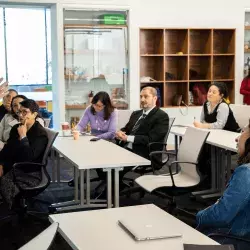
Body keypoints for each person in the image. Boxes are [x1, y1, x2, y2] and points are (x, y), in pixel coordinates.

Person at [196, 119, 250, 249]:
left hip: (232, 240)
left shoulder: (246, 172)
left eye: (243, 131)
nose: (237, 139)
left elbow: (221, 216)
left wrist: (200, 216)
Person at [0, 99, 48, 209]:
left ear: (34, 114)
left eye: (24, 112)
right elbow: (7, 149)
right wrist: (1, 163)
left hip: (28, 171)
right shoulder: (16, 128)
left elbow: (29, 159)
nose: (21, 115)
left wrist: (23, 137)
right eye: (19, 112)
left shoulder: (40, 134)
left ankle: (12, 208)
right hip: (13, 165)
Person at [116, 86, 169, 159]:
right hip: (126, 149)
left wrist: (128, 138)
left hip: (144, 154)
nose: (142, 99)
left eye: (146, 96)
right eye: (141, 96)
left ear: (155, 98)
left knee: (108, 167)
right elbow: (127, 129)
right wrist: (120, 132)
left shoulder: (162, 116)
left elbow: (151, 139)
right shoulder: (136, 113)